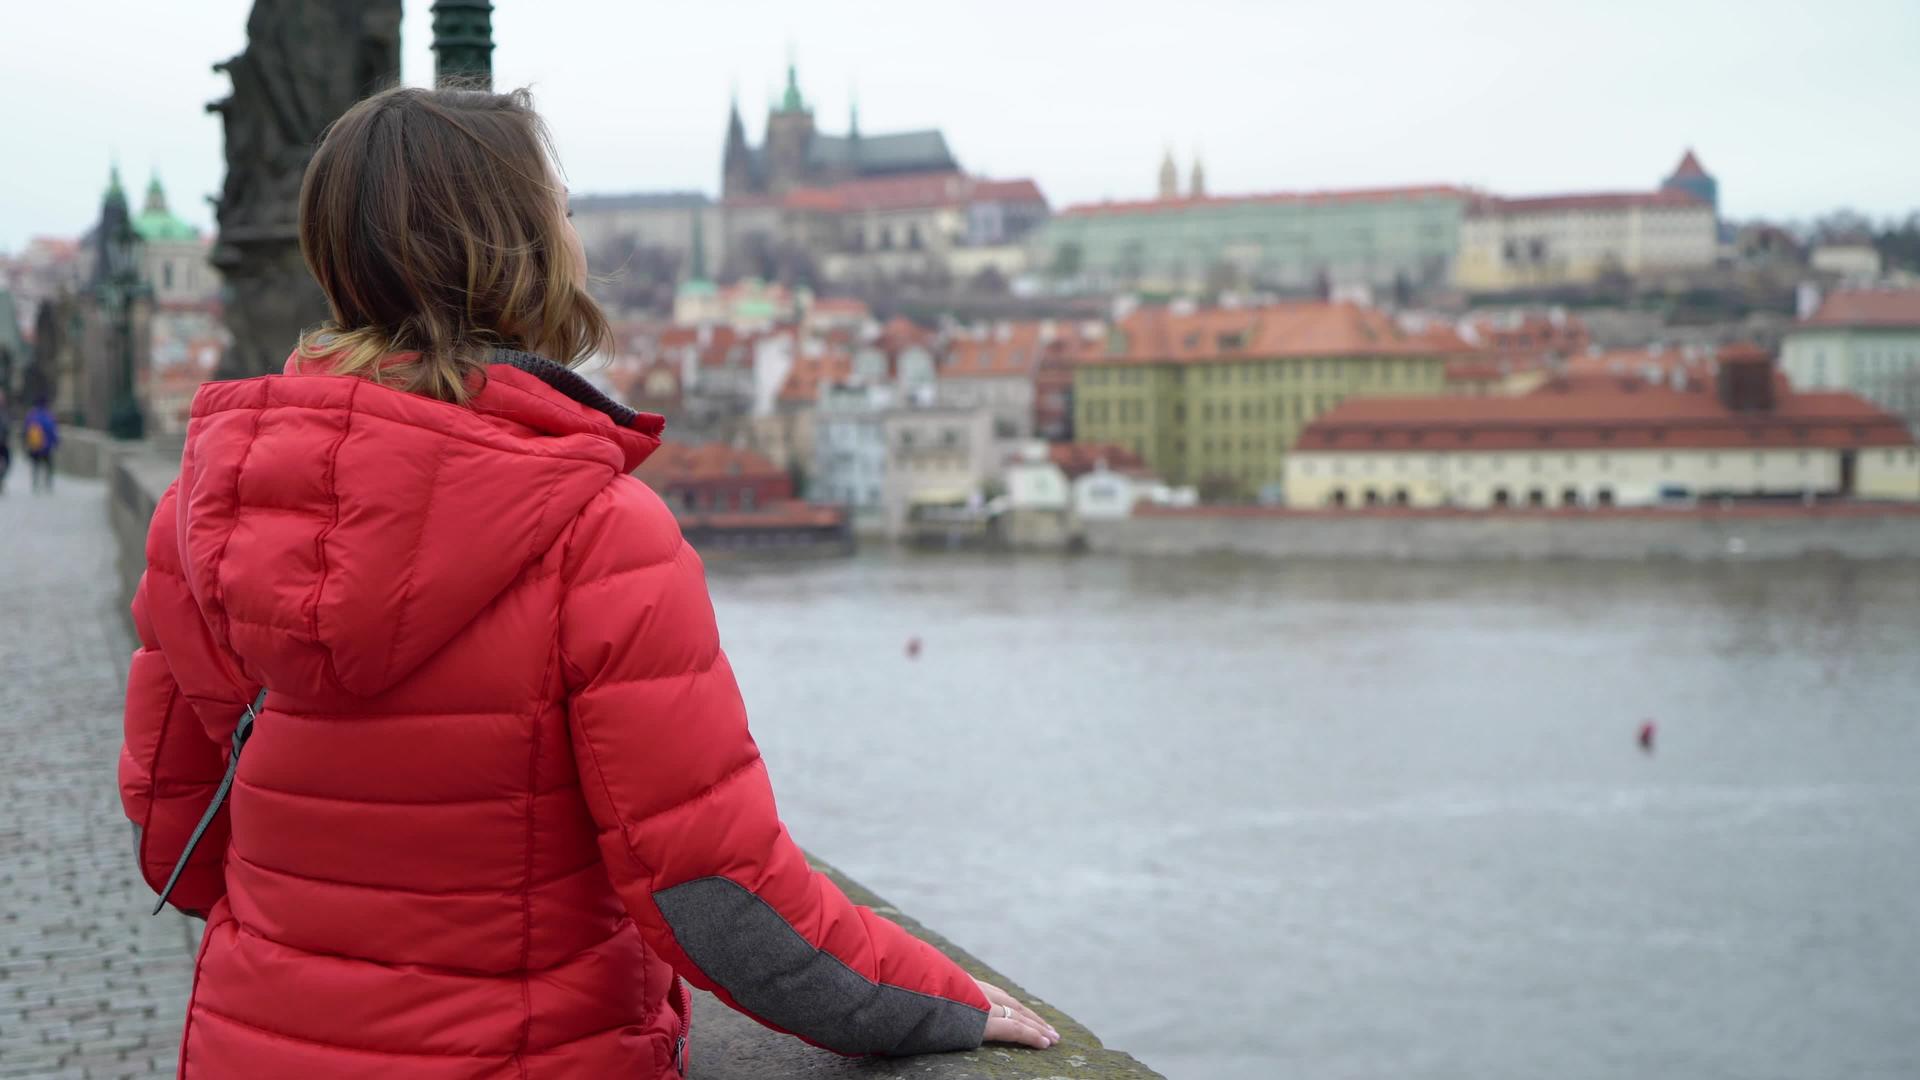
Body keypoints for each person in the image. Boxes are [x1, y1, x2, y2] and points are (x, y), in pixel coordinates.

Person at [117, 85, 1057, 1078]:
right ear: (516, 244)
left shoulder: (202, 517)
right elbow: (718, 898)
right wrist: (936, 999)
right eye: (559, 208)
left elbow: (174, 837)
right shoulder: (593, 530)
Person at [23, 398, 57, 492]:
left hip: (35, 445)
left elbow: (26, 429)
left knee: (35, 465)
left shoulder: (31, 415)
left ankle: (35, 482)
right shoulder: (48, 415)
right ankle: (48, 483)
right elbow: (52, 430)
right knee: (48, 465)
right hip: (46, 446)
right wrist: (56, 442)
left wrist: (26, 443)